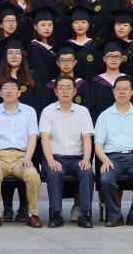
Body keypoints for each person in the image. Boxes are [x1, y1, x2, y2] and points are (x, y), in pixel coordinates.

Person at [0, 79, 44, 228]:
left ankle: (33, 214)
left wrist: (28, 158)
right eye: (5, 88)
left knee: (33, 176)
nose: (9, 90)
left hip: (21, 157)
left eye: (12, 88)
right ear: (0, 93)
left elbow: (33, 137)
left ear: (19, 92)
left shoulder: (29, 111)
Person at [95, 77, 133, 227]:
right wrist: (105, 160)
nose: (122, 92)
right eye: (118, 89)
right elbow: (98, 145)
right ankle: (115, 216)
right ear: (113, 92)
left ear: (132, 92)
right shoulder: (104, 115)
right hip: (112, 158)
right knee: (106, 179)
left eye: (125, 89)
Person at [38, 75, 95, 228]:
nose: (65, 91)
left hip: (77, 158)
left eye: (68, 88)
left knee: (87, 172)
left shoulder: (83, 111)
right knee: (54, 173)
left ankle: (85, 214)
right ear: (55, 91)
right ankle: (56, 215)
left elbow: (87, 138)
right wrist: (50, 160)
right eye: (61, 88)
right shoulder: (47, 111)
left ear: (74, 91)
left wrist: (86, 159)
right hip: (55, 157)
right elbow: (44, 138)